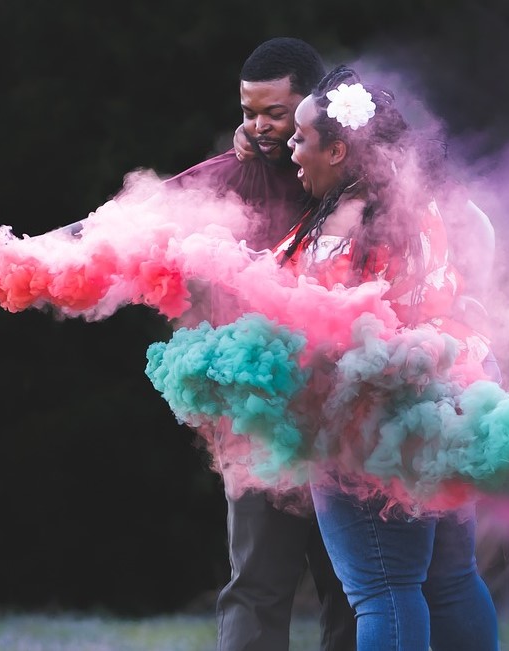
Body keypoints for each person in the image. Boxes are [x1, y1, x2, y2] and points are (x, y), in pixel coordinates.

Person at [279, 65, 501, 650]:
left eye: (301, 137)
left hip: (377, 418)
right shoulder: (417, 205)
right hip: (453, 396)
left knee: (384, 589)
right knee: (451, 580)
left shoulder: (343, 228)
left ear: (339, 147)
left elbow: (312, 333)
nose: (291, 147)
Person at [164, 37, 357, 651]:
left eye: (276, 113)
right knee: (255, 588)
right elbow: (124, 220)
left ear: (313, 110)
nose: (260, 126)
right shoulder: (224, 178)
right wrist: (17, 252)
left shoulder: (351, 175)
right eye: (250, 111)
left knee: (353, 591)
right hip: (260, 420)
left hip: (347, 417)